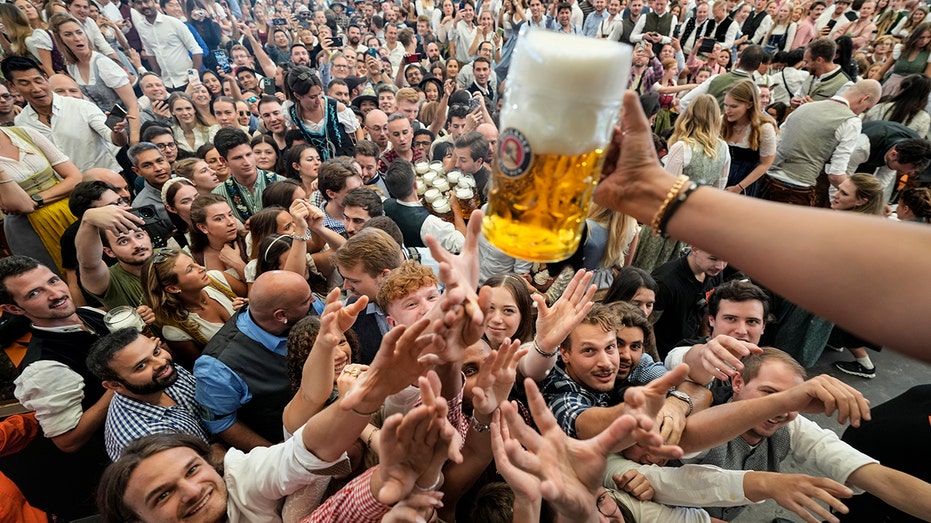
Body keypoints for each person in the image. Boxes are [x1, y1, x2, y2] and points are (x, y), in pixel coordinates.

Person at [1, 255, 113, 518]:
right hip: (120, 460)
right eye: (35, 293)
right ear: (15, 309)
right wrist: (115, 390)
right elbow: (68, 441)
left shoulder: (88, 314)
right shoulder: (42, 369)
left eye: (53, 280)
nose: (56, 293)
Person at [193, 270, 315, 449]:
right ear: (280, 315)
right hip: (288, 442)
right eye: (307, 300)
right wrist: (276, 456)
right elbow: (222, 422)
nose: (314, 301)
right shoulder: (218, 367)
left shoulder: (307, 307)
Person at [85, 327, 210, 461]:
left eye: (156, 351)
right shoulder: (144, 437)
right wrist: (214, 452)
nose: (161, 362)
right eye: (141, 366)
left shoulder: (163, 373)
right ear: (115, 385)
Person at [762, 79, 881, 207]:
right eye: (866, 109)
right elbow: (836, 174)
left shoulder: (805, 107)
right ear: (864, 98)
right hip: (797, 188)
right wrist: (858, 197)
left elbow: (775, 143)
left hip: (766, 178)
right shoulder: (851, 121)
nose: (860, 113)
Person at [4, 55, 124, 175]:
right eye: (25, 83)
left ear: (46, 78)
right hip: (70, 190)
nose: (35, 89)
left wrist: (118, 131)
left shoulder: (81, 107)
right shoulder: (22, 122)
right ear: (11, 86)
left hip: (107, 179)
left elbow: (116, 140)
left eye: (38, 80)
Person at [0, 123, 81, 273]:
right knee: (52, 272)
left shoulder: (25, 133)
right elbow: (21, 206)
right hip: (26, 227)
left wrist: (37, 200)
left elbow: (75, 178)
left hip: (68, 210)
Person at [142, 247, 242, 368]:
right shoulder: (175, 331)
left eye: (194, 263)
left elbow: (256, 300)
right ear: (173, 288)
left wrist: (248, 305)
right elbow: (206, 368)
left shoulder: (216, 279)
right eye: (190, 269)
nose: (202, 268)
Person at [49, 13, 140, 144]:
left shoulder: (102, 63)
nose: (77, 38)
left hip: (132, 126)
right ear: (60, 40)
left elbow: (132, 105)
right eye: (68, 34)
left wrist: (135, 140)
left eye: (79, 32)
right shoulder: (72, 67)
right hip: (108, 131)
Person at [334, 228, 403, 364]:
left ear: (385, 276)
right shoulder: (347, 314)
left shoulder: (431, 307)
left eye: (354, 281)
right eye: (345, 279)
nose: (346, 287)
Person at [383, 158, 466, 251]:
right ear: (415, 184)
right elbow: (463, 244)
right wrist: (455, 206)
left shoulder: (385, 205)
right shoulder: (429, 223)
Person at [284, 65, 358, 161]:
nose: (318, 100)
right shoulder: (292, 113)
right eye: (312, 97)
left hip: (345, 161)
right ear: (297, 96)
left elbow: (356, 129)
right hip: (319, 165)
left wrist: (358, 155)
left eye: (319, 94)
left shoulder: (335, 106)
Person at [211, 126, 284, 222]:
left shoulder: (282, 183)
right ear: (223, 161)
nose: (247, 162)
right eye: (238, 158)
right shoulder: (218, 196)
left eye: (249, 154)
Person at [129, 0, 202, 91]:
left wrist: (193, 75)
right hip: (166, 84)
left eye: (146, 1)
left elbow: (196, 49)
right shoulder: (141, 27)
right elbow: (150, 53)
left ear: (153, 2)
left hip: (186, 80)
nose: (144, 6)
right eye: (139, 3)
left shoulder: (173, 22)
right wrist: (158, 77)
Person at [721, 79, 777, 196]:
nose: (727, 111)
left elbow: (765, 164)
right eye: (726, 105)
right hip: (720, 177)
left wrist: (739, 187)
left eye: (733, 106)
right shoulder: (722, 121)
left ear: (749, 104)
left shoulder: (764, 127)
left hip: (745, 183)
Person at [664, 94, 731, 189]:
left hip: (682, 202)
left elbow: (669, 186)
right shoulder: (723, 147)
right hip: (707, 201)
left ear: (689, 114)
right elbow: (720, 187)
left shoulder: (682, 147)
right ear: (716, 117)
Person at [188, 193, 249, 295]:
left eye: (230, 214)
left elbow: (263, 286)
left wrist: (237, 263)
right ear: (203, 227)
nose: (230, 222)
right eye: (219, 219)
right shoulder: (194, 258)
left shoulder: (249, 242)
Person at [863, 74, 931, 139]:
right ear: (925, 95)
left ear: (902, 89)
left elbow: (864, 126)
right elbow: (917, 142)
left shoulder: (880, 107)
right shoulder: (924, 118)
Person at [877, 22, 931, 97]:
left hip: (910, 90)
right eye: (921, 37)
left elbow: (926, 79)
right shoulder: (900, 49)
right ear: (915, 36)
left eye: (928, 37)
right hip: (890, 86)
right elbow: (881, 72)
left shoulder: (929, 54)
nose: (924, 41)